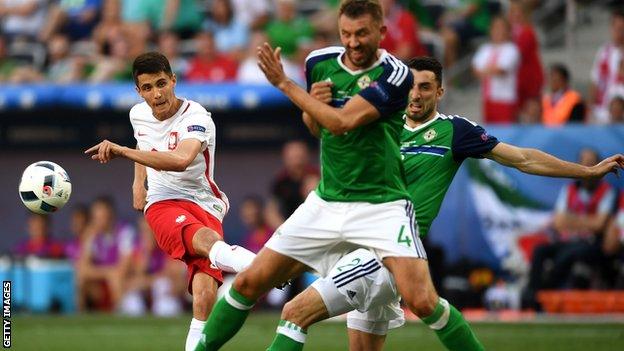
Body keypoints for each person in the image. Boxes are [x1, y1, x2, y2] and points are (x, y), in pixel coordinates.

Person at [281, 56, 624, 351]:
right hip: (367, 246)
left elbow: (523, 158)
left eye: (426, 87)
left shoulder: (454, 132)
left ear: (440, 92)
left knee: (294, 314)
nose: (416, 94)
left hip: (386, 251)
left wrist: (587, 171)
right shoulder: (380, 126)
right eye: (411, 86)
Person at [197, 1, 483, 350]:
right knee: (248, 281)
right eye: (346, 33)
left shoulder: (396, 75)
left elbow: (343, 122)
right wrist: (311, 107)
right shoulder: (320, 62)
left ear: (381, 32)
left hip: (382, 205)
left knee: (422, 300)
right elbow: (320, 127)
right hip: (328, 201)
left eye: (362, 33)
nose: (353, 42)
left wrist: (285, 84)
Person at [84, 51, 256, 351]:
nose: (157, 94)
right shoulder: (137, 114)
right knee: (205, 241)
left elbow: (180, 160)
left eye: (162, 83)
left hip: (205, 202)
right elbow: (143, 139)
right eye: (147, 88)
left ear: (174, 81)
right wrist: (138, 182)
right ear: (139, 92)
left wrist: (122, 151)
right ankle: (262, 267)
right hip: (162, 201)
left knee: (203, 297)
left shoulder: (197, 117)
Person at [524, 149, 617, 306]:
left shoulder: (607, 192)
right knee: (540, 250)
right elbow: (559, 223)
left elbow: (599, 225)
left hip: (591, 244)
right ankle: (531, 293)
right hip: (567, 241)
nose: (587, 168)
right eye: (583, 164)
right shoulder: (569, 190)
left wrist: (572, 220)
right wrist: (587, 222)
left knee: (569, 254)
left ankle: (543, 294)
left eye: (591, 164)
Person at [472, 16, 520, 124]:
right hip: (488, 99)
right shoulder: (485, 49)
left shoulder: (511, 49)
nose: (498, 31)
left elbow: (501, 70)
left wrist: (485, 69)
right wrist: (492, 69)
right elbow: (475, 70)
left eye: (501, 28)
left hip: (504, 99)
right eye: (495, 28)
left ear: (508, 31)